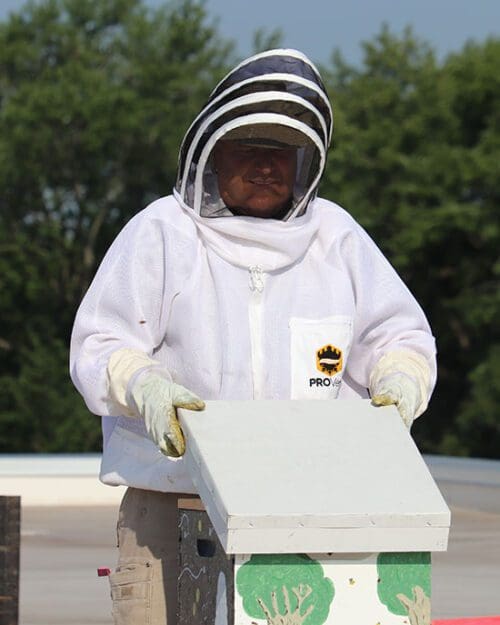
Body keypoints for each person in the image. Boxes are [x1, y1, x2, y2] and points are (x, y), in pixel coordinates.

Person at [70, 49, 436, 625]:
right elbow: (101, 343)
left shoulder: (337, 238)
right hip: (174, 503)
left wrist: (401, 379)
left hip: (313, 511)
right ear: (212, 155)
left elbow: (399, 334)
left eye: (280, 153)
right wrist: (145, 387)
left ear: (304, 163)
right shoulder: (162, 232)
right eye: (248, 149)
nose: (265, 167)